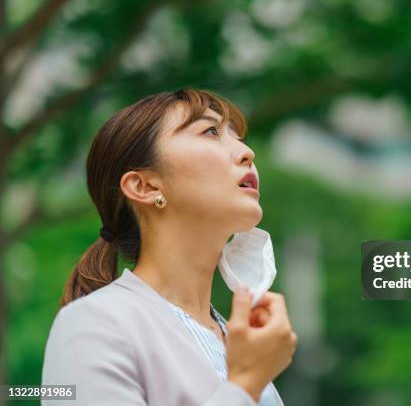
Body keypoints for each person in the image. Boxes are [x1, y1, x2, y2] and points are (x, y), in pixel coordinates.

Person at [41, 89, 297, 405]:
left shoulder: (238, 341)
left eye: (237, 137)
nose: (247, 152)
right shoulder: (95, 324)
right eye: (211, 131)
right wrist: (245, 384)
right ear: (145, 186)